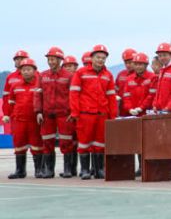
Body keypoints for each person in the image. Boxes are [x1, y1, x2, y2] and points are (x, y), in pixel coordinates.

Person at [70, 44, 118, 180]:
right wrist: (75, 113)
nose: (100, 60)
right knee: (84, 143)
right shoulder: (81, 73)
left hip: (102, 114)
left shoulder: (108, 75)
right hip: (85, 114)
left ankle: (99, 170)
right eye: (98, 57)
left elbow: (111, 97)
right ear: (91, 58)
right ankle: (85, 170)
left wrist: (113, 115)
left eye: (103, 58)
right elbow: (74, 94)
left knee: (100, 144)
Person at [144, 42, 171, 178]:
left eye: (165, 55)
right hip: (163, 112)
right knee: (166, 141)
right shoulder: (163, 70)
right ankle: (169, 168)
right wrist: (156, 107)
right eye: (160, 55)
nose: (162, 57)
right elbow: (159, 93)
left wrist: (168, 109)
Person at [38, 46, 76, 178]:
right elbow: (38, 95)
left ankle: (67, 170)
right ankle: (49, 170)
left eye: (53, 59)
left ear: (60, 60)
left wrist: (73, 111)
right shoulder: (43, 76)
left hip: (64, 114)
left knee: (66, 141)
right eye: (49, 59)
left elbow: (73, 95)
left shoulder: (69, 76)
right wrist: (38, 111)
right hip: (47, 115)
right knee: (47, 141)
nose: (50, 61)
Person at [4, 58, 43, 179]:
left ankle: (39, 170)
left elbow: (43, 101)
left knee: (37, 145)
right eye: (24, 69)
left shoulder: (39, 85)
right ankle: (20, 170)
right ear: (20, 71)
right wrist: (6, 114)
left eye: (29, 69)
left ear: (34, 71)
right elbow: (10, 102)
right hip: (18, 120)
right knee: (19, 145)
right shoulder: (15, 86)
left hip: (34, 121)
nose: (26, 72)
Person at [120, 52, 154, 177]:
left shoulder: (151, 78)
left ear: (146, 65)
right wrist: (129, 109)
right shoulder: (129, 79)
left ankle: (148, 166)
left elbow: (151, 96)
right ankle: (140, 167)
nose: (138, 67)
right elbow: (126, 96)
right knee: (137, 142)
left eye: (141, 64)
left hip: (147, 114)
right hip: (133, 115)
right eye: (136, 64)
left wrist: (141, 108)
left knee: (147, 141)